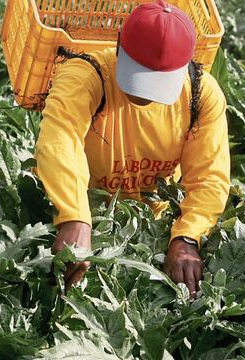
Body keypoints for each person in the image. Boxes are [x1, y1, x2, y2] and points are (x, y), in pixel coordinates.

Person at [34, 0, 230, 299]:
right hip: (81, 213)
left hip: (154, 228)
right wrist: (74, 218)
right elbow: (60, 141)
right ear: (118, 47)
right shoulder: (83, 76)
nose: (143, 95)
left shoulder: (202, 93)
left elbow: (209, 178)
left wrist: (187, 237)